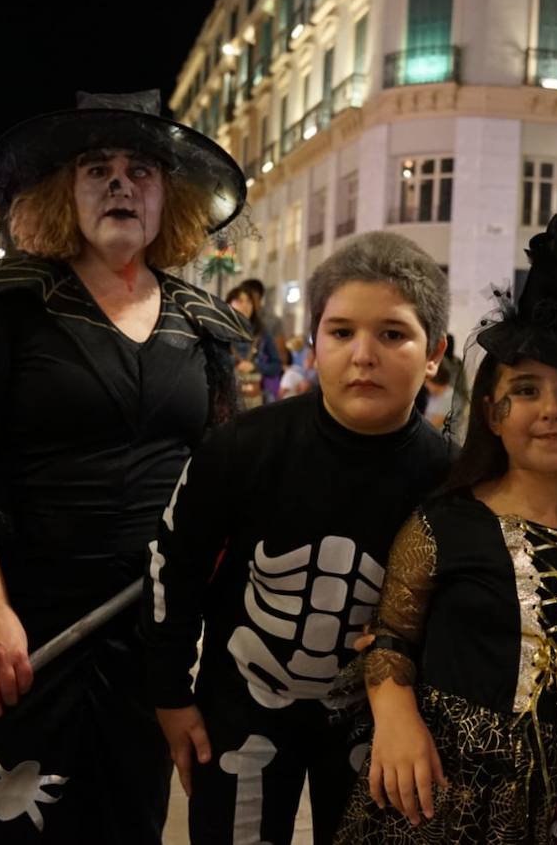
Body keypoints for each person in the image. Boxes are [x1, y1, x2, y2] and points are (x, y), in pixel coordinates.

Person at [0, 90, 251, 843]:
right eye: (96, 170)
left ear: (166, 197)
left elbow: (222, 470)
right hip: (24, 616)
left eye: (140, 171)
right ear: (62, 193)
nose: (120, 185)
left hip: (147, 619)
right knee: (15, 813)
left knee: (129, 810)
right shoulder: (6, 303)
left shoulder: (199, 323)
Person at [335, 218, 557, 845]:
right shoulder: (441, 523)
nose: (552, 410)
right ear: (493, 413)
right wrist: (394, 716)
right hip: (435, 792)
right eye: (526, 389)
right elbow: (391, 635)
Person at [145, 232, 454, 845]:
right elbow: (171, 567)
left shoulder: (452, 481)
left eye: (393, 334)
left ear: (434, 353)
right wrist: (169, 695)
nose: (363, 355)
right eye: (341, 332)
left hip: (378, 728)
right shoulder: (242, 448)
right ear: (313, 345)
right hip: (242, 710)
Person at [226, 280, 282, 407]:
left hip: (254, 398)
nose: (245, 305)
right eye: (240, 301)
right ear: (229, 303)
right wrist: (233, 365)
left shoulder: (262, 333)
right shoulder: (220, 332)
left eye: (249, 301)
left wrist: (255, 366)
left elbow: (277, 366)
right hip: (226, 398)